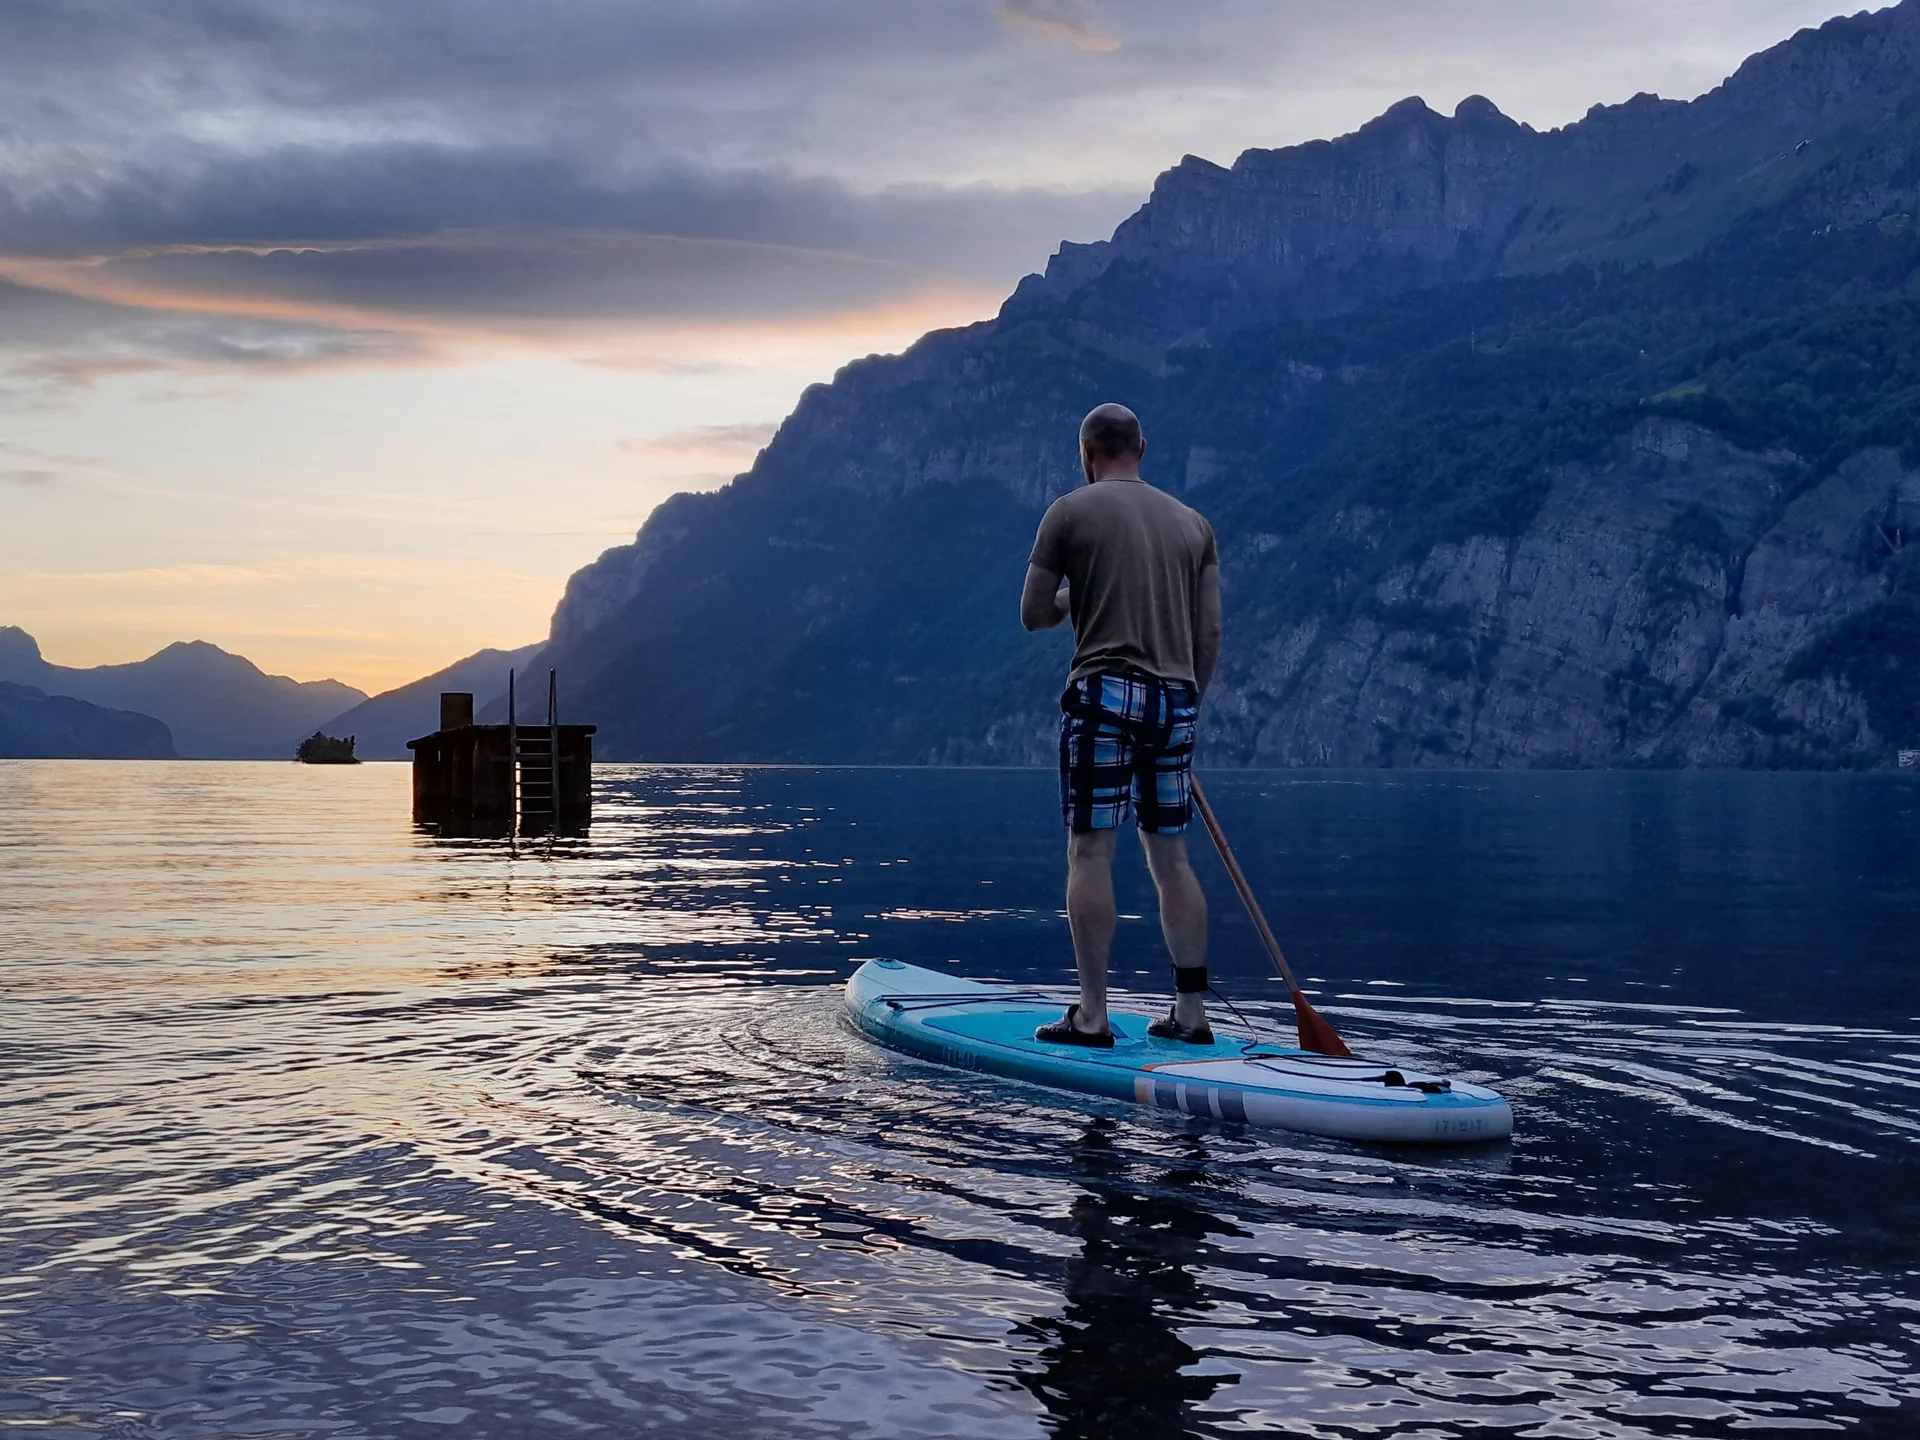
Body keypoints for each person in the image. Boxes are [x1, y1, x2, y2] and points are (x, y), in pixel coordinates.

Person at [1020, 403, 1222, 1047]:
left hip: (1105, 692)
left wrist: (1076, 594)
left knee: (1091, 850)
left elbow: (1033, 614)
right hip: (1175, 699)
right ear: (1142, 446)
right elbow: (1209, 630)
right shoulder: (1194, 525)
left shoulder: (1068, 513)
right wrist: (1186, 706)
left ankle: (1092, 1015)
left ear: (1086, 454)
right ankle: (1190, 1016)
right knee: (1172, 860)